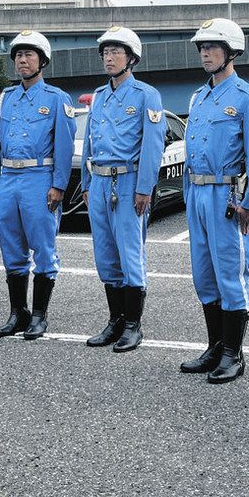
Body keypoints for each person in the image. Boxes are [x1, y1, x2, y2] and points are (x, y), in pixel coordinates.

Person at [179, 18, 249, 384]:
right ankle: (215, 345)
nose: (205, 52)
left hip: (225, 194)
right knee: (204, 275)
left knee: (231, 274)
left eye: (212, 47)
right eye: (202, 47)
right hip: (197, 192)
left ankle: (234, 354)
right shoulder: (198, 98)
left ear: (231, 52)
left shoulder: (247, 98)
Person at [0, 30, 75, 341]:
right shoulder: (6, 99)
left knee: (43, 247)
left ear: (42, 61)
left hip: (40, 180)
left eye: (29, 55)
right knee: (11, 247)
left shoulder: (56, 100)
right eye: (18, 55)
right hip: (9, 180)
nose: (23, 60)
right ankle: (17, 312)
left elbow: (64, 148)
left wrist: (59, 186)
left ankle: (39, 315)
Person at [82, 26, 166, 353]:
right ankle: (115, 320)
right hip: (100, 181)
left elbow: (152, 145)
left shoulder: (146, 95)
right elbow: (89, 140)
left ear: (131, 58)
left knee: (130, 253)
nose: (109, 57)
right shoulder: (100, 97)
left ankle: (133, 325)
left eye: (116, 52)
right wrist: (87, 184)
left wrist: (144, 188)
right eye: (105, 52)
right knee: (105, 254)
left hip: (129, 182)